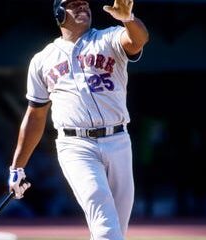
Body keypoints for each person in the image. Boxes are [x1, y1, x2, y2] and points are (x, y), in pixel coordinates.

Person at [8, 0, 149, 239]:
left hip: (118, 140)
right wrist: (17, 166)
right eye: (74, 4)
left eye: (84, 3)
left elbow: (138, 40)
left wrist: (128, 19)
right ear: (59, 12)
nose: (82, 7)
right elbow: (35, 114)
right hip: (75, 145)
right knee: (102, 214)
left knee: (114, 228)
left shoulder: (109, 38)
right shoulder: (42, 60)